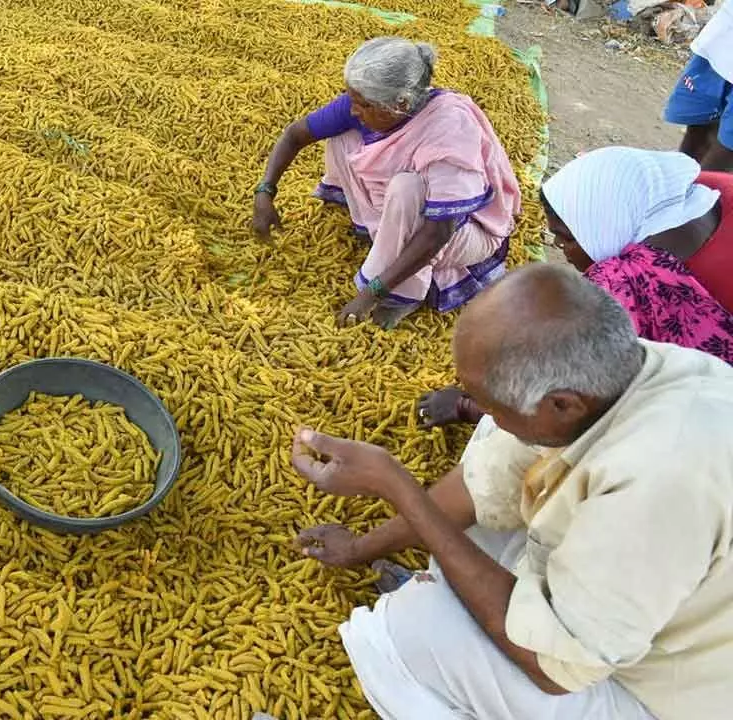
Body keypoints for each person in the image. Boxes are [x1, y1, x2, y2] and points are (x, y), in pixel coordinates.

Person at [285, 263, 733, 720]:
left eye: (486, 402)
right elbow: (481, 486)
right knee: (490, 492)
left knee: (404, 635)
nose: (476, 410)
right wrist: (361, 547)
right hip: (646, 595)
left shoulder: (658, 481)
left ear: (562, 403)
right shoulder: (617, 372)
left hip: (664, 692)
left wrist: (396, 484)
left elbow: (554, 670)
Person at [419, 147, 733, 428]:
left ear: (605, 227)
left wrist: (466, 406)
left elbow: (581, 409)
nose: (558, 246)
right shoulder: (696, 189)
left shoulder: (622, 285)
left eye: (566, 237)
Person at [250, 36, 521, 329]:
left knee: (407, 189)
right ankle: (385, 237)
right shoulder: (367, 103)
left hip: (464, 230)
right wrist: (265, 193)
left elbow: (438, 232)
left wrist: (372, 292)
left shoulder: (448, 129)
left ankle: (406, 294)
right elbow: (295, 135)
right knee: (343, 139)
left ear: (400, 104)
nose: (354, 110)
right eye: (352, 100)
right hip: (416, 213)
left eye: (363, 104)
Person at [663, 0, 733, 172]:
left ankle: (700, 195)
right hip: (722, 43)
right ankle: (676, 190)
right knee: (698, 132)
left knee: (725, 153)